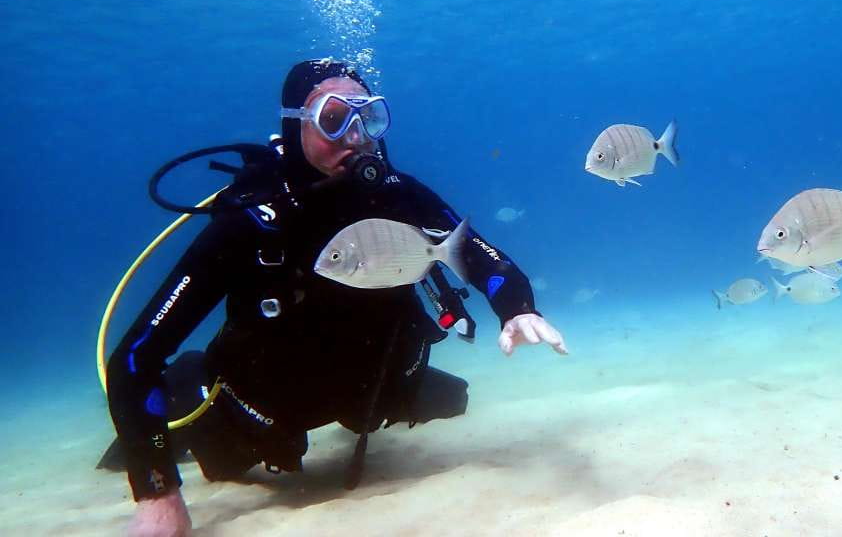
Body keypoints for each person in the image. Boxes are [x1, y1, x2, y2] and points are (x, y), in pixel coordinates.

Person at [103, 59, 568, 537]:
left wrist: (517, 309)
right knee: (219, 457)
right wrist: (157, 493)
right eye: (333, 119)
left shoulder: (398, 196)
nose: (355, 137)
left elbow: (481, 256)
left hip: (377, 390)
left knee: (453, 400)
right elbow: (136, 356)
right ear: (294, 123)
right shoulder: (252, 220)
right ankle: (192, 389)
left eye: (369, 118)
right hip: (266, 407)